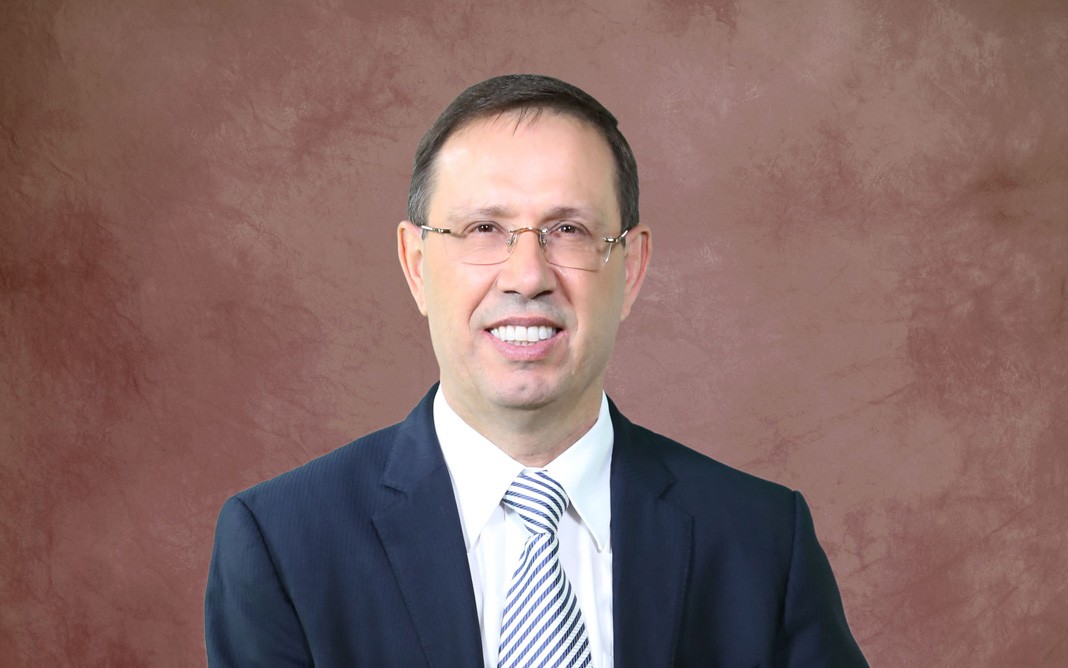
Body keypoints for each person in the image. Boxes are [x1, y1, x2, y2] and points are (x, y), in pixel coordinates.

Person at [205, 74, 868, 667]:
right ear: (416, 265)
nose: (527, 276)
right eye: (483, 229)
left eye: (569, 230)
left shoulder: (761, 541)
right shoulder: (284, 544)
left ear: (632, 268)